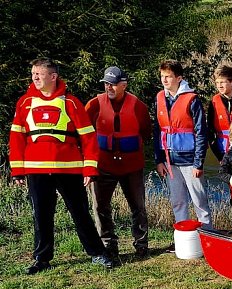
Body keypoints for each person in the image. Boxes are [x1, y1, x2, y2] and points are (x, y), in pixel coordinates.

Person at [10, 58, 113, 273]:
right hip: (36, 170)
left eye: (39, 73)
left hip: (69, 168)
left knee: (80, 213)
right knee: (41, 215)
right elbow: (17, 138)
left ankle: (97, 253)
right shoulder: (25, 103)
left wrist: (90, 169)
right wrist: (17, 170)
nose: (35, 78)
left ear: (53, 76)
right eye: (33, 74)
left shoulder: (71, 103)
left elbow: (88, 138)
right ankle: (42, 259)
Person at [85, 66, 152, 260]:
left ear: (124, 85)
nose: (109, 88)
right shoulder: (94, 105)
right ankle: (108, 246)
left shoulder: (138, 106)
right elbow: (82, 132)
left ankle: (141, 246)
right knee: (100, 207)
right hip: (103, 165)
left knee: (138, 207)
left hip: (131, 166)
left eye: (113, 84)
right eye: (106, 84)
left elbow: (146, 132)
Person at [153, 59, 211, 234]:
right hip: (170, 161)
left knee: (199, 201)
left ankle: (208, 236)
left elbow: (202, 132)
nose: (164, 80)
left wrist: (198, 162)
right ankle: (184, 238)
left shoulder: (192, 100)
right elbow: (157, 131)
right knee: (177, 201)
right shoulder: (160, 98)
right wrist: (159, 160)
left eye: (168, 76)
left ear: (179, 78)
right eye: (163, 76)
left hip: (190, 160)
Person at [207, 65, 232, 162]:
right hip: (223, 154)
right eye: (217, 83)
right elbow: (210, 131)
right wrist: (219, 156)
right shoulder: (214, 102)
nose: (219, 86)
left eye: (222, 82)